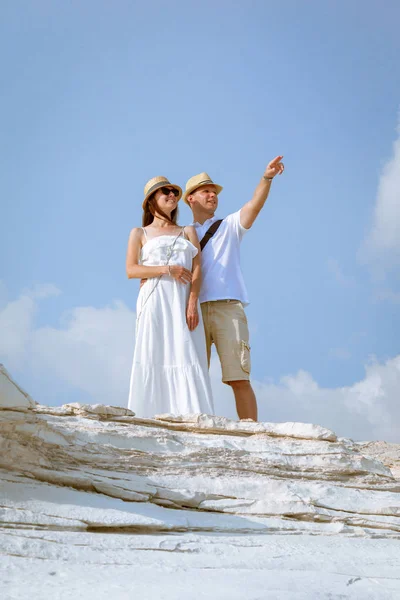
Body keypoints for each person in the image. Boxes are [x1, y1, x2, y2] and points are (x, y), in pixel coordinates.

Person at [183, 156, 285, 421]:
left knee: (238, 376)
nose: (212, 195)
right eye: (205, 191)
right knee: (193, 376)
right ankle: (194, 427)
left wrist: (267, 178)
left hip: (228, 307)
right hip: (193, 311)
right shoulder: (183, 234)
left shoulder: (229, 225)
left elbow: (254, 205)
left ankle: (251, 433)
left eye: (214, 192)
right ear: (190, 198)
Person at [126, 176, 214, 418]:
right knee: (153, 350)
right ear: (151, 201)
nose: (171, 195)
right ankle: (148, 414)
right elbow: (131, 270)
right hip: (154, 299)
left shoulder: (187, 231)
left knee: (186, 351)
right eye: (164, 192)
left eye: (174, 192)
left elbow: (198, 269)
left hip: (182, 300)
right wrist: (166, 269)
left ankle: (191, 415)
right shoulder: (139, 233)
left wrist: (192, 303)